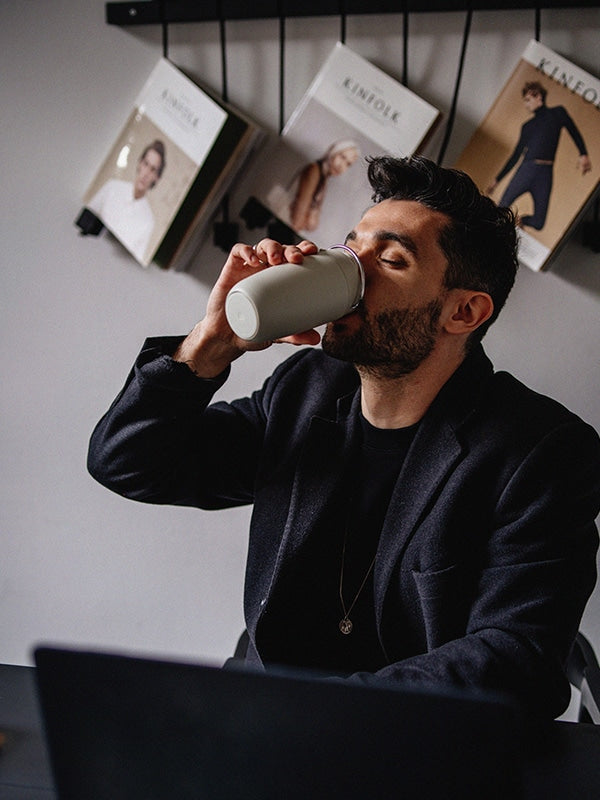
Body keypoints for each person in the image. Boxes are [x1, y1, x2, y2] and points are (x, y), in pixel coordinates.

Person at [88, 155, 600, 719]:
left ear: (463, 312)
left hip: (416, 749)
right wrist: (211, 344)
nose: (352, 270)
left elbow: (515, 658)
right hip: (260, 722)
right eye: (351, 247)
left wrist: (320, 710)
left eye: (391, 259)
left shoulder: (541, 453)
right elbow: (127, 462)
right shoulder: (306, 392)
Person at [487, 81, 591, 231]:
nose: (526, 105)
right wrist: (497, 180)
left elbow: (573, 131)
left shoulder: (558, 113)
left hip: (545, 173)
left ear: (539, 96)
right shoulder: (527, 126)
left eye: (528, 100)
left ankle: (519, 220)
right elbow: (516, 155)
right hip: (526, 170)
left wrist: (583, 154)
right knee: (501, 209)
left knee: (539, 223)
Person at [88, 139, 166, 262]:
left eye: (153, 170)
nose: (146, 173)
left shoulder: (148, 221)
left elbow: (133, 259)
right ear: (140, 163)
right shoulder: (113, 187)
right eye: (146, 164)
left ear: (156, 177)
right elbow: (87, 215)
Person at [267, 140, 360, 233]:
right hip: (279, 229)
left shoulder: (323, 179)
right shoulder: (314, 171)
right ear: (333, 151)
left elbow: (312, 225)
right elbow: (297, 221)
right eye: (342, 157)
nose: (342, 165)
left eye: (348, 164)